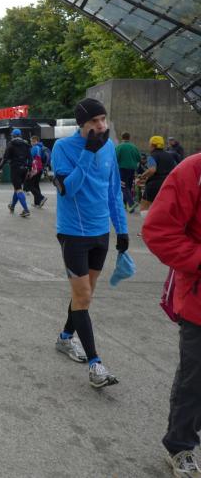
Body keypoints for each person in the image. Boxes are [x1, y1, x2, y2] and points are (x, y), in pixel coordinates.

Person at [51, 98, 127, 388]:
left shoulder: (109, 147)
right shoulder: (62, 148)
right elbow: (67, 189)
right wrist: (87, 153)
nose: (102, 126)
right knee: (82, 296)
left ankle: (64, 338)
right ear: (82, 124)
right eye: (95, 121)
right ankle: (96, 365)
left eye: (103, 119)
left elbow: (113, 192)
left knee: (85, 296)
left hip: (100, 232)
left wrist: (121, 230)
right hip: (73, 233)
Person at [142, 153, 201, 478]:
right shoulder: (193, 170)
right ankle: (180, 445)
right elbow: (159, 230)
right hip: (198, 300)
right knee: (196, 377)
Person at [0, 128, 33, 217]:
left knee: (18, 189)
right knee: (17, 189)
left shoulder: (11, 144)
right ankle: (12, 206)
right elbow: (30, 158)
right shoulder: (26, 144)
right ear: (20, 135)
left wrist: (0, 167)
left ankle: (26, 210)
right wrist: (29, 168)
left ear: (13, 135)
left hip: (15, 169)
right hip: (24, 169)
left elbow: (5, 158)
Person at [138, 135, 177, 213]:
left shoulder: (152, 156)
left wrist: (142, 176)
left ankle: (147, 220)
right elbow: (175, 169)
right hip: (167, 184)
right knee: (161, 207)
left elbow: (152, 170)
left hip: (154, 184)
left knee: (144, 207)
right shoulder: (169, 156)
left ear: (153, 145)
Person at [115, 132, 141, 213]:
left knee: (123, 186)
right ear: (129, 137)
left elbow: (115, 158)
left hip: (122, 168)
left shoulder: (119, 146)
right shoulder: (134, 147)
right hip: (132, 169)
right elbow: (139, 158)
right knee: (128, 186)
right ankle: (126, 205)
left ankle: (131, 203)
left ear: (122, 137)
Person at [25, 134, 47, 208]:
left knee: (30, 185)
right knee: (36, 185)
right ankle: (37, 203)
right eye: (31, 141)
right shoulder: (40, 147)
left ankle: (41, 198)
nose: (32, 142)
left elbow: (30, 158)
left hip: (35, 169)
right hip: (40, 168)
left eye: (33, 141)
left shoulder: (35, 148)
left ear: (37, 141)